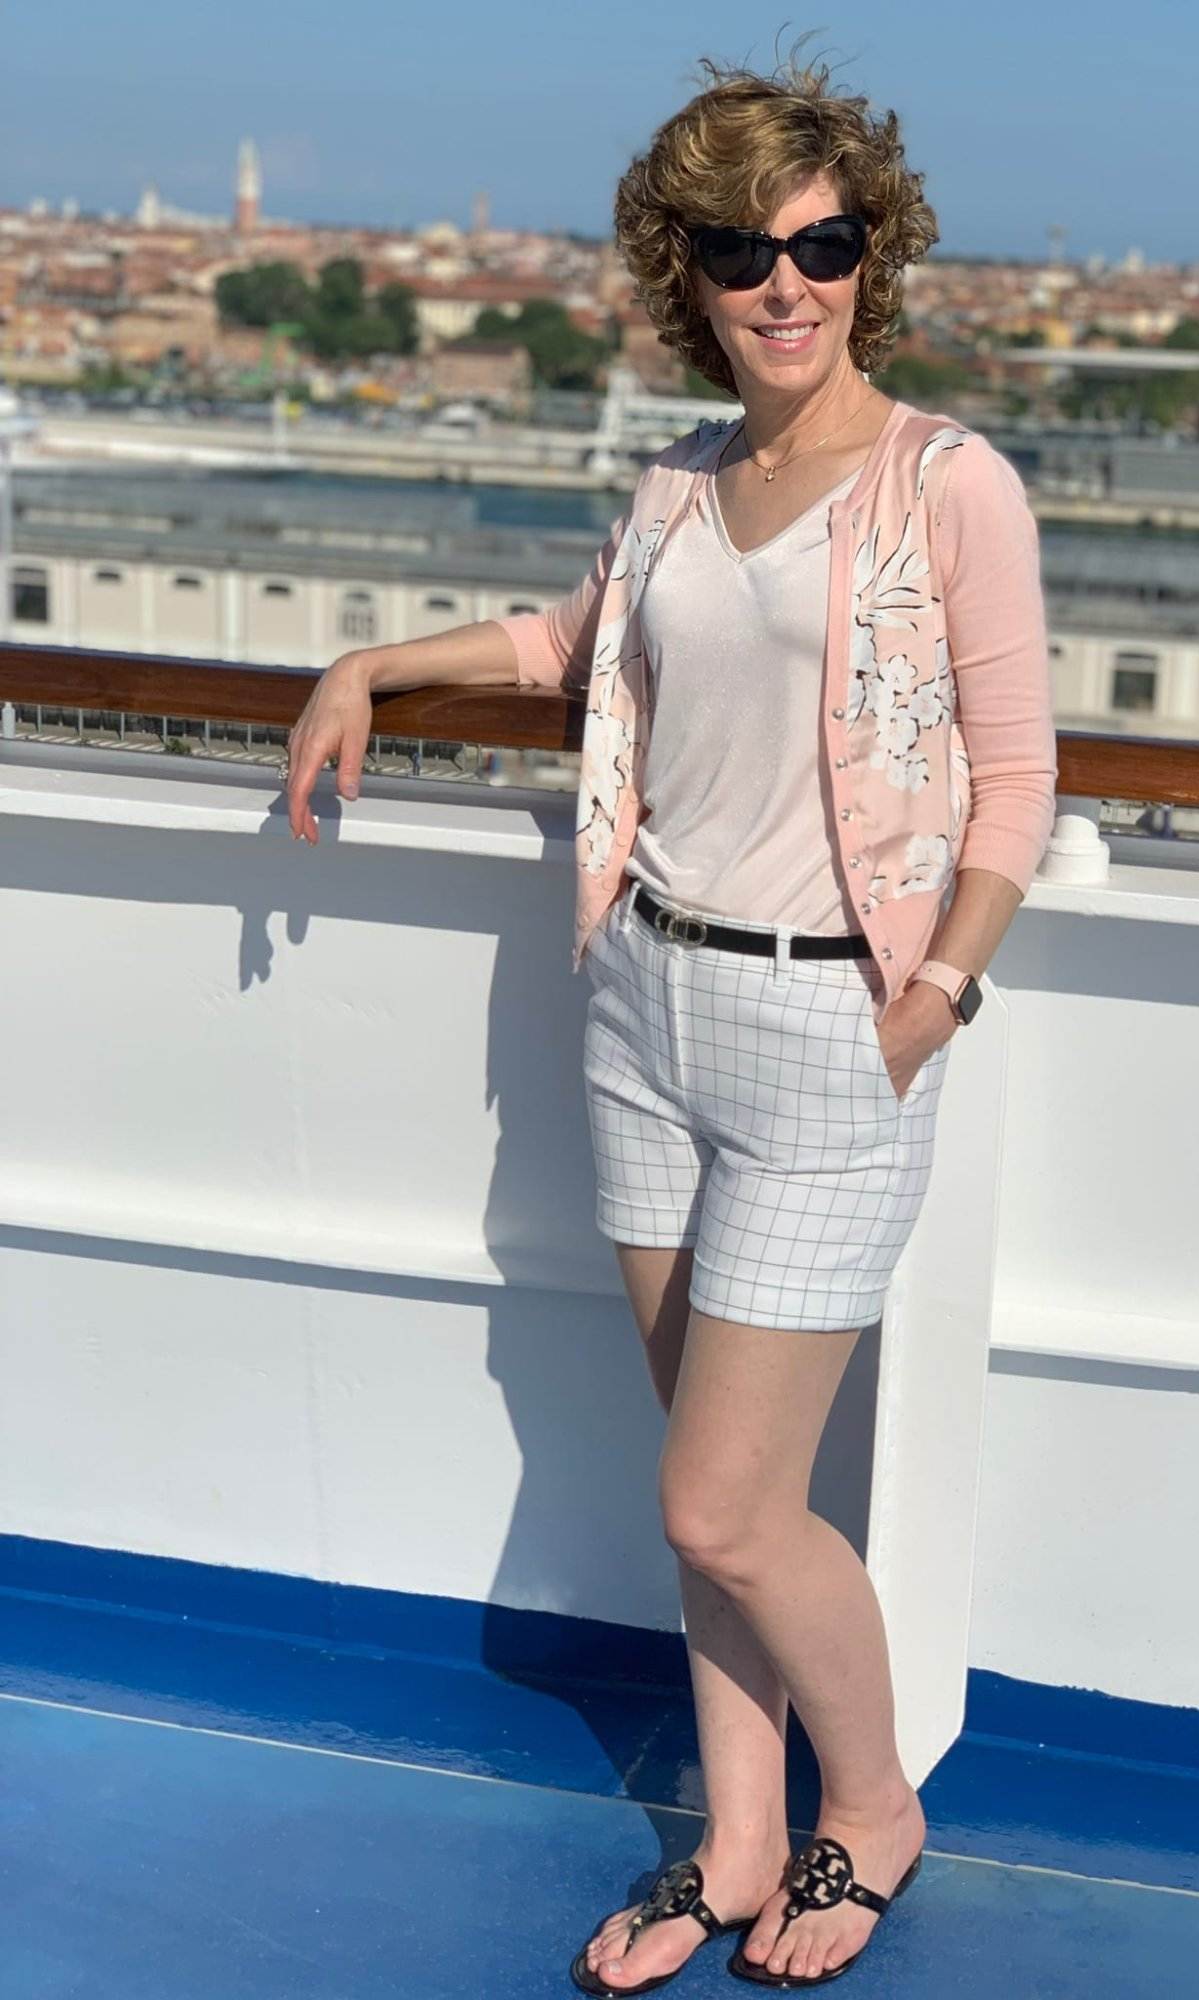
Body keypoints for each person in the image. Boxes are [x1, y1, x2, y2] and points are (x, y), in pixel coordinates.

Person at [284, 43, 1056, 1994]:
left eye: (821, 241)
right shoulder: (677, 484)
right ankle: (728, 1841)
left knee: (720, 1498)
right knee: (717, 1509)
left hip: (833, 1036)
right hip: (644, 1011)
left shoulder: (948, 485)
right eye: (740, 251)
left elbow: (1019, 786)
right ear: (687, 280)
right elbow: (569, 648)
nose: (784, 281)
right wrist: (373, 662)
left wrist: (934, 998)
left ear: (873, 256)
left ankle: (867, 1807)